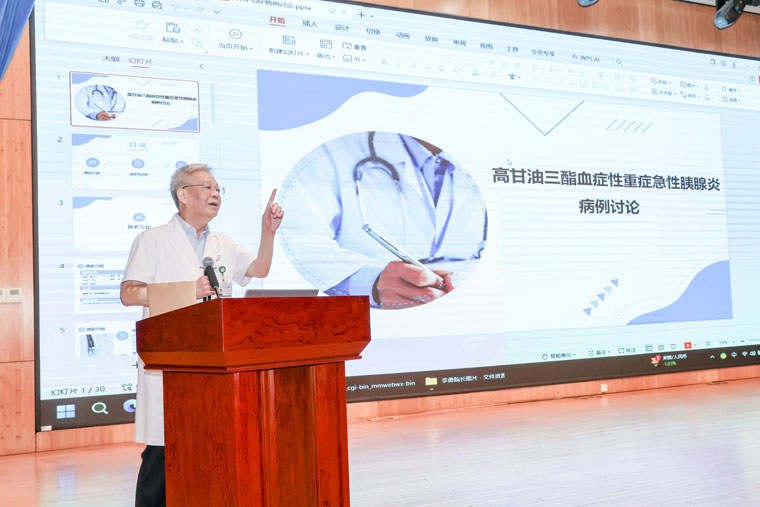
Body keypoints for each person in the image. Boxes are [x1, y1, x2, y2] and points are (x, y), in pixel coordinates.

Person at [120, 163, 283, 506]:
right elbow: (129, 293)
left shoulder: (222, 243)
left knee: (209, 449)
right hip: (170, 362)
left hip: (215, 360)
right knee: (164, 453)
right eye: (207, 187)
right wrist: (188, 290)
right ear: (183, 195)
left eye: (218, 189)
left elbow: (258, 269)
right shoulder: (152, 240)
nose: (215, 194)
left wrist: (267, 232)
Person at [277, 131, 487, 309]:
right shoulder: (332, 152)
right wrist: (371, 281)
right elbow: (297, 239)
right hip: (372, 321)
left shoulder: (483, 158)